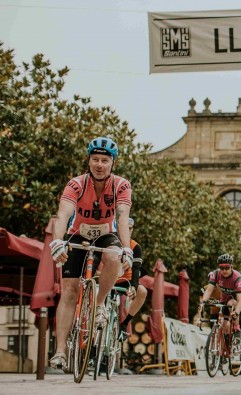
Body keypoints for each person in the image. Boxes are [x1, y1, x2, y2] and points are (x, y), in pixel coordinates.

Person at [48, 136, 133, 370]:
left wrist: (126, 247)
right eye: (95, 159)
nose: (99, 164)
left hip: (106, 233)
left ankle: (101, 304)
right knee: (69, 292)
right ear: (89, 161)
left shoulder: (121, 185)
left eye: (104, 160)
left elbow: (123, 216)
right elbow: (63, 214)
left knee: (114, 256)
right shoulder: (76, 184)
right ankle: (61, 351)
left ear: (112, 163)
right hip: (78, 234)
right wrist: (57, 242)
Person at [197, 254, 241, 334]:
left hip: (237, 297)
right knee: (224, 325)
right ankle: (224, 344)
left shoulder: (237, 277)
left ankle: (237, 329)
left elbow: (240, 300)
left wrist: (236, 312)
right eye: (221, 268)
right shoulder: (215, 274)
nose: (224, 270)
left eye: (227, 268)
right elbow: (209, 290)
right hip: (225, 297)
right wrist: (203, 302)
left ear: (231, 267)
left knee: (231, 303)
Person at [116, 217, 148, 338]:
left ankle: (125, 323)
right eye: (124, 228)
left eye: (129, 229)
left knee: (142, 291)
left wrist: (134, 287)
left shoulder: (135, 247)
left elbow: (136, 270)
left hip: (126, 281)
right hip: (108, 280)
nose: (127, 231)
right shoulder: (110, 242)